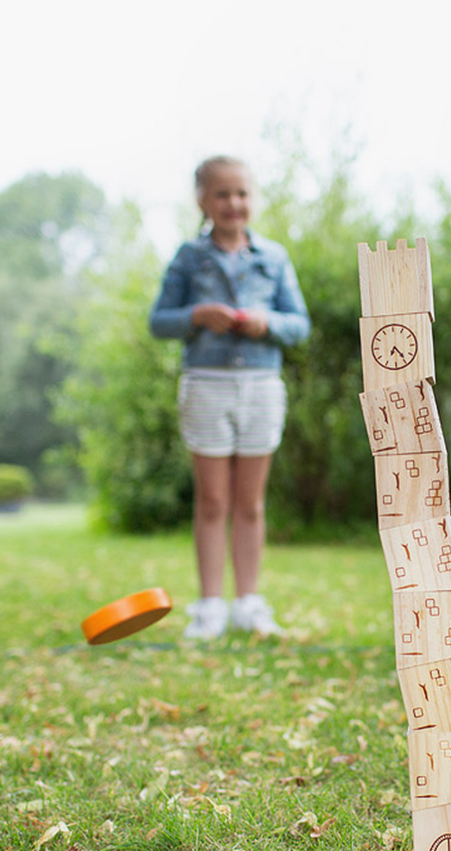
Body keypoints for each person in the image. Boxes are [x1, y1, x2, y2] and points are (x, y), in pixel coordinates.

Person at [150, 156, 310, 639]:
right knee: (213, 501)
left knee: (250, 502)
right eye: (222, 194)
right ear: (203, 200)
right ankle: (210, 606)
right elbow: (160, 321)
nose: (233, 203)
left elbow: (298, 325)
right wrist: (197, 315)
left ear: (252, 198)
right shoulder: (187, 258)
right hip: (206, 384)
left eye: (241, 194)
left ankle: (248, 604)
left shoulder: (274, 258)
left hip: (261, 387)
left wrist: (267, 324)